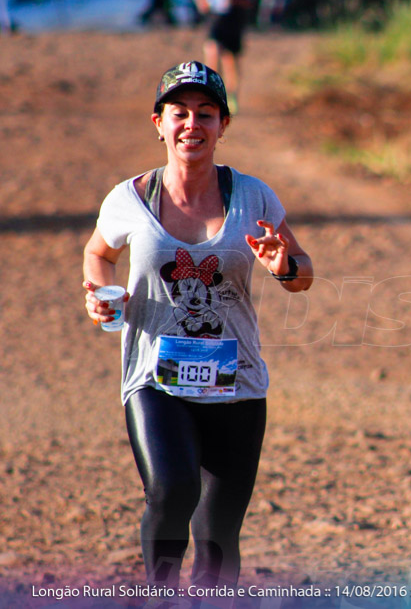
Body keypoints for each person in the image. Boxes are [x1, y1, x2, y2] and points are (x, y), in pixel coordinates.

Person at [82, 61, 313, 590]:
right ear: (158, 123)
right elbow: (98, 253)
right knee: (173, 488)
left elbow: (304, 274)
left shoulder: (254, 197)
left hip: (237, 381)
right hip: (155, 378)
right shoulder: (129, 199)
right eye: (179, 113)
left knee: (217, 532)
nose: (193, 124)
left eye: (206, 113)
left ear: (223, 125)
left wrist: (284, 266)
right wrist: (98, 294)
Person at [193, 0, 253, 114]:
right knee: (211, 54)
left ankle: (231, 95)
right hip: (214, 25)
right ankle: (211, 95)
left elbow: (250, 1)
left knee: (230, 62)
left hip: (233, 26)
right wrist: (203, 3)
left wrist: (233, 1)